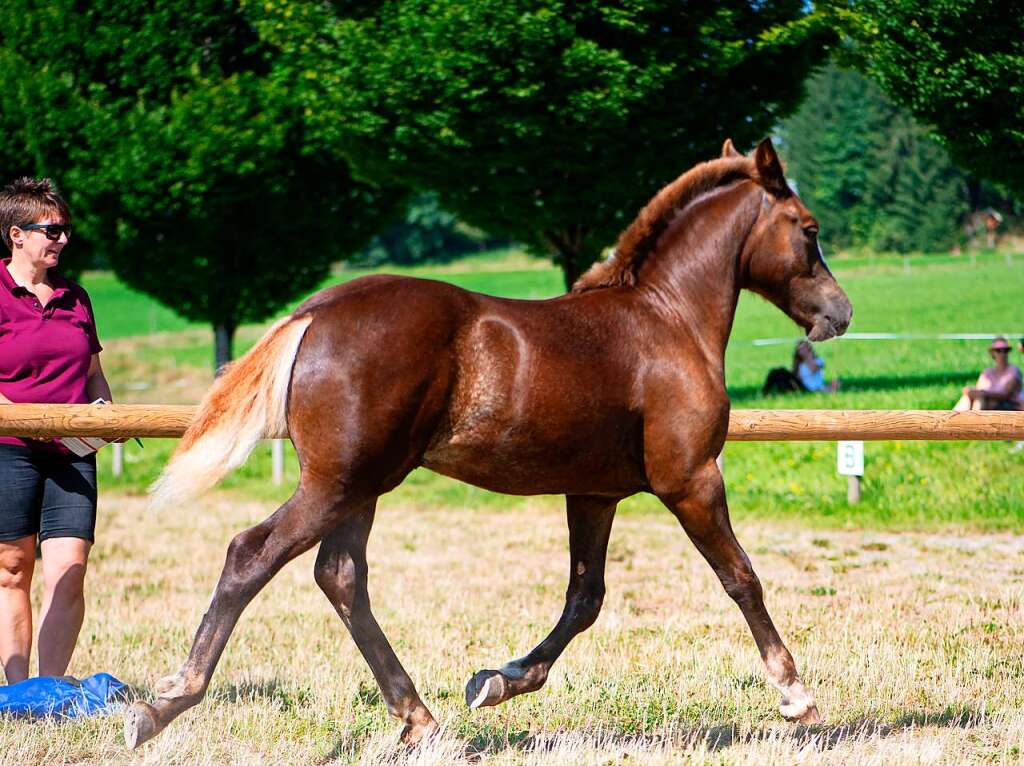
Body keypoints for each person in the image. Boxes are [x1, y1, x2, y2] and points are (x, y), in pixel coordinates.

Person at [0, 177, 117, 684]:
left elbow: (93, 374)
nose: (63, 239)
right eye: (51, 230)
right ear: (16, 234)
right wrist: (30, 420)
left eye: (66, 230)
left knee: (69, 573)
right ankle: (18, 690)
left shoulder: (77, 297)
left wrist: (103, 416)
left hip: (72, 452)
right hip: (9, 447)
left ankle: (49, 691)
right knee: (12, 571)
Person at [953, 336, 1023, 411]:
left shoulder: (1013, 371)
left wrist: (983, 394)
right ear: (992, 353)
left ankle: (972, 420)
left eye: (1005, 350)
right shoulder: (987, 373)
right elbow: (979, 389)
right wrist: (972, 392)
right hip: (990, 404)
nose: (1002, 353)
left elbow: (1005, 394)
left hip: (1011, 406)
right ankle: (952, 419)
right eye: (998, 350)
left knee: (981, 399)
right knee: (967, 397)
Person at [762, 340, 839, 395]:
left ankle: (773, 393)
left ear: (808, 348)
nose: (801, 351)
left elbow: (813, 369)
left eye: (803, 348)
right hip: (801, 384)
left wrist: (807, 356)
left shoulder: (818, 361)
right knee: (777, 372)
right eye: (799, 349)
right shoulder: (800, 363)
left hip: (810, 388)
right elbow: (796, 375)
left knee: (781, 373)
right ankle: (765, 392)